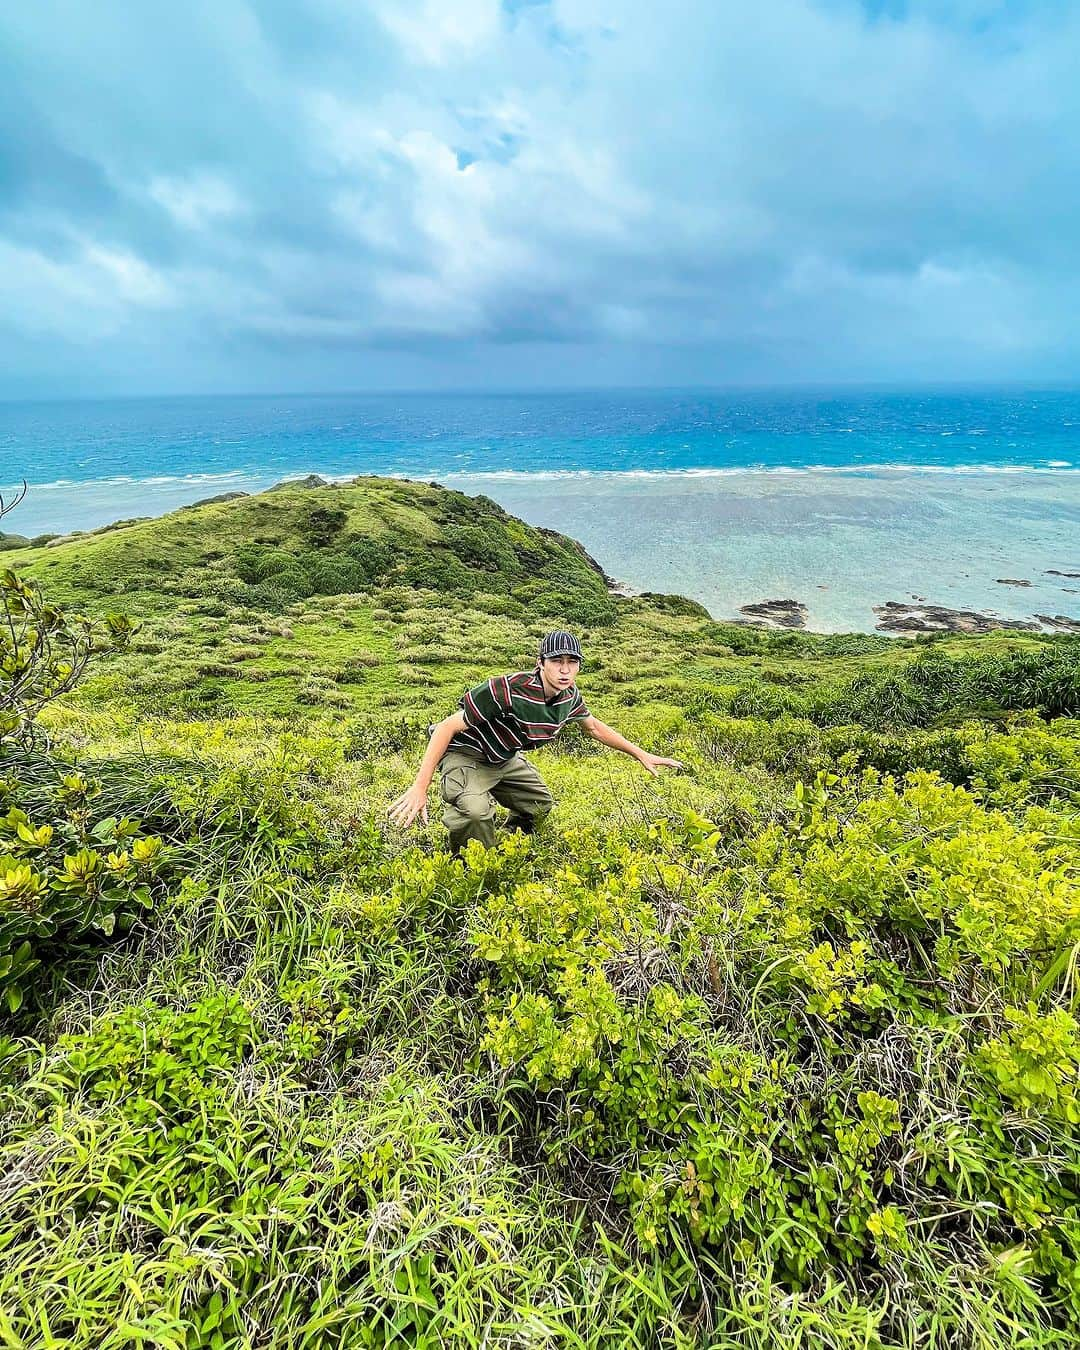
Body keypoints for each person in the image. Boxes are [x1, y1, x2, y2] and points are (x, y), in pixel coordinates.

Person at [387, 630, 683, 853]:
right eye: (557, 661)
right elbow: (446, 727)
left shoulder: (569, 696)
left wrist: (639, 753)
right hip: (467, 754)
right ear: (540, 663)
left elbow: (593, 728)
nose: (565, 670)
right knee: (475, 814)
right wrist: (419, 787)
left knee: (539, 806)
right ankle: (474, 867)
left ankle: (509, 847)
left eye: (572, 662)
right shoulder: (508, 688)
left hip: (504, 757)